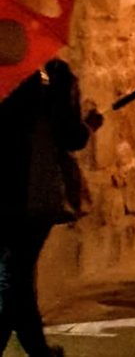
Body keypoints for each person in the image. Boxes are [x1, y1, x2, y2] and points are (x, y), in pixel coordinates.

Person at [1, 59, 103, 357]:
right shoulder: (54, 76)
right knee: (16, 278)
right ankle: (37, 349)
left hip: (9, 191)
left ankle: (38, 349)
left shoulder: (9, 78)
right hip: (32, 190)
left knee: (14, 276)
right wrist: (90, 125)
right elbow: (71, 136)